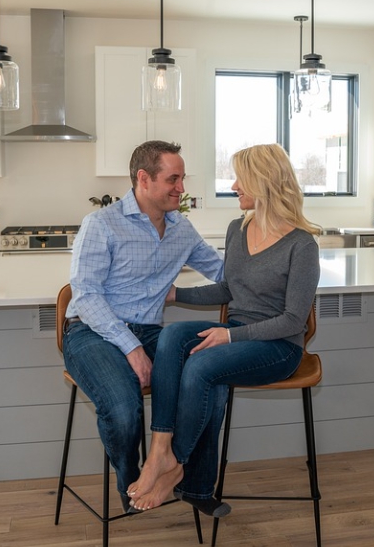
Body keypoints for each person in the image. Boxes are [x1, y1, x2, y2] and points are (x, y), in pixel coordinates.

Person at [127, 143, 322, 513]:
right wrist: (176, 294)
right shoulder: (238, 229)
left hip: (279, 347)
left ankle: (175, 465)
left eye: (240, 179)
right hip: (239, 332)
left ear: (263, 182)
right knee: (173, 336)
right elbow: (230, 289)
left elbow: (293, 320)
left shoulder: (302, 244)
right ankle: (160, 450)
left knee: (202, 366)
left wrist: (229, 335)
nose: (234, 186)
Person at [63, 140, 225, 514]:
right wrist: (131, 347)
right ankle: (132, 481)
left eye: (182, 179)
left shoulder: (182, 229)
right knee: (123, 407)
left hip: (150, 331)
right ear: (144, 179)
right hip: (91, 332)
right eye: (173, 179)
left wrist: (273, 264)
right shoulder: (101, 224)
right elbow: (85, 296)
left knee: (211, 376)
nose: (181, 188)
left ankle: (190, 482)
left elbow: (223, 273)